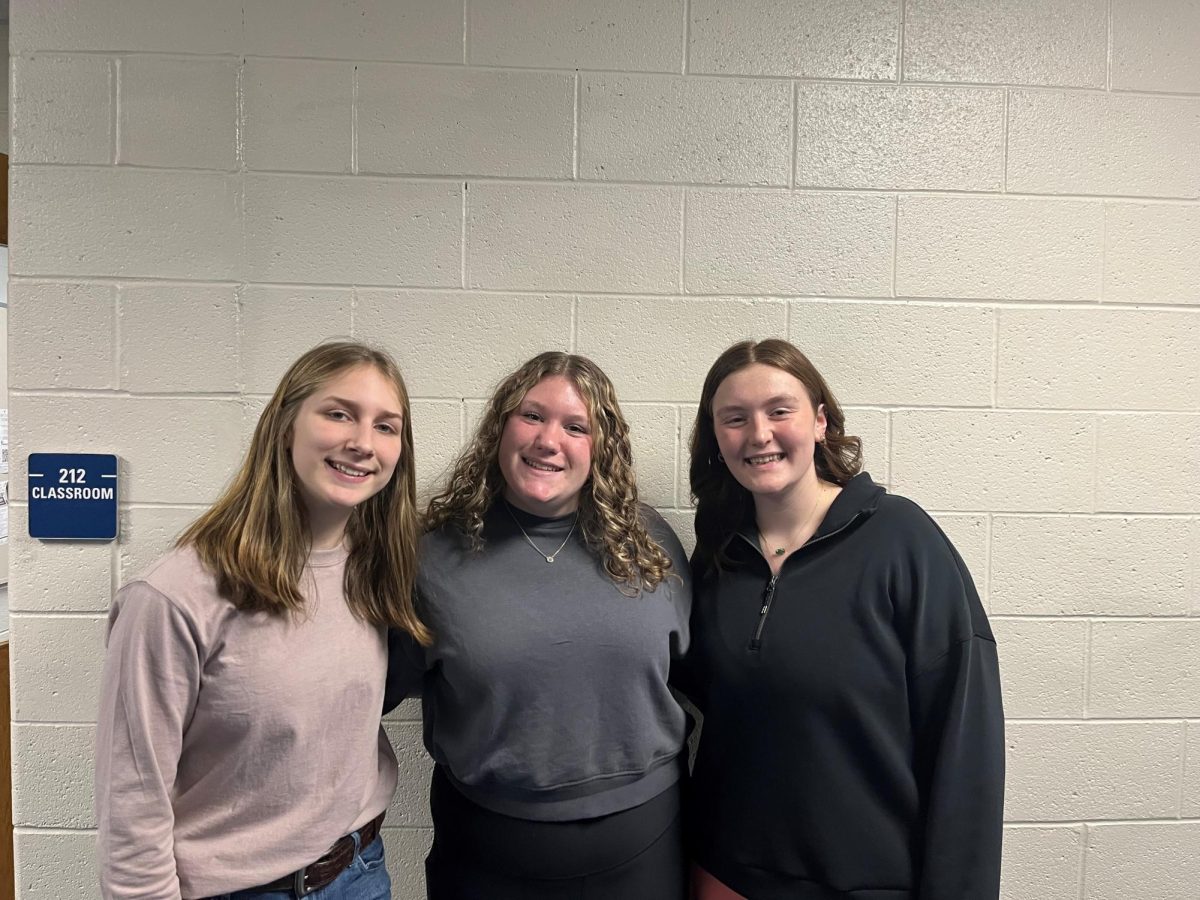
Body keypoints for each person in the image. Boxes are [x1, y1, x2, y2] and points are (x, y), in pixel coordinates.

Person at [95, 341, 429, 900]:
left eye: (386, 426)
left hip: (360, 872)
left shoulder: (376, 570)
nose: (362, 442)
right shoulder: (176, 596)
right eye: (339, 413)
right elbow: (132, 799)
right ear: (284, 426)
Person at [679, 338, 1004, 900]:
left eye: (780, 411)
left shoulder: (902, 541)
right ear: (716, 439)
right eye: (735, 419)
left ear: (820, 421)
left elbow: (964, 740)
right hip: (724, 877)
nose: (759, 434)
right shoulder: (717, 557)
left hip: (863, 882)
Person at [385, 351, 692, 899]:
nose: (549, 440)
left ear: (601, 448)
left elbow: (694, 676)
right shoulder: (431, 556)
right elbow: (369, 690)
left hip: (643, 849)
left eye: (576, 427)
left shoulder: (651, 545)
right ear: (499, 428)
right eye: (531, 416)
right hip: (486, 853)